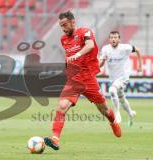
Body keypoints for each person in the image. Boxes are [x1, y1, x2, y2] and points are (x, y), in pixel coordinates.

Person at [44, 11, 121, 151]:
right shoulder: (63, 39)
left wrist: (77, 55)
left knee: (103, 109)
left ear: (73, 22)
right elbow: (69, 57)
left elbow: (90, 45)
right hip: (73, 80)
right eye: (61, 26)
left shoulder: (85, 32)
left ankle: (113, 121)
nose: (63, 28)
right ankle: (55, 139)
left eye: (64, 25)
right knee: (61, 107)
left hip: (88, 79)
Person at [99, 31, 142, 126]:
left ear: (119, 39)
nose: (113, 39)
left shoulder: (125, 47)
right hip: (113, 78)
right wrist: (103, 60)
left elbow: (138, 50)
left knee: (112, 90)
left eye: (115, 37)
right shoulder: (105, 49)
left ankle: (117, 113)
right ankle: (130, 113)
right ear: (109, 39)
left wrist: (140, 66)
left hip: (123, 77)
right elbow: (100, 64)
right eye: (111, 37)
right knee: (121, 98)